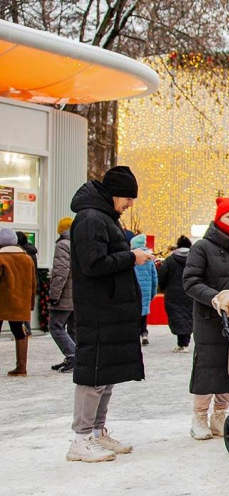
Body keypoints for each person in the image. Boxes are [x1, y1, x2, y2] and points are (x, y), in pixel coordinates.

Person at [65, 166, 150, 462]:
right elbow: (93, 264)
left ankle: (97, 431)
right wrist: (131, 257)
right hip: (98, 308)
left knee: (107, 372)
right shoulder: (91, 218)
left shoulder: (104, 217)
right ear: (115, 193)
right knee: (95, 371)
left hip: (110, 307)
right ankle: (81, 437)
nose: (129, 205)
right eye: (128, 198)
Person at [183, 198, 229, 440]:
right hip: (210, 317)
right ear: (218, 219)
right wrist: (216, 298)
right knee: (208, 366)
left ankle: (220, 414)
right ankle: (199, 416)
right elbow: (191, 281)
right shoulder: (202, 248)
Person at [1, 228, 36, 377]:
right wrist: (30, 303)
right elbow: (33, 283)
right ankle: (21, 367)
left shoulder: (1, 258)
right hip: (20, 302)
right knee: (19, 332)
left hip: (2, 302)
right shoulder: (27, 258)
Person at [47, 218, 77, 373]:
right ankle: (78, 358)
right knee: (73, 328)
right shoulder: (80, 243)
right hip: (77, 295)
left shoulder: (63, 245)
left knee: (55, 327)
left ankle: (73, 356)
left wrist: (54, 295)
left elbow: (60, 273)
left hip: (64, 294)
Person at [158, 236, 195, 353]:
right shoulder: (194, 259)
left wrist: (163, 288)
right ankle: (185, 342)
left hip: (173, 293)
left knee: (178, 316)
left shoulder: (170, 260)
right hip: (190, 292)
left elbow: (162, 276)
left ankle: (181, 343)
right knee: (188, 315)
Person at [130, 234, 158, 346]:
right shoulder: (149, 258)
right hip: (146, 289)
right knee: (144, 312)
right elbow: (154, 276)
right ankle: (144, 332)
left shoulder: (132, 258)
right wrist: (153, 292)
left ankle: (135, 334)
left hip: (133, 289)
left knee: (134, 313)